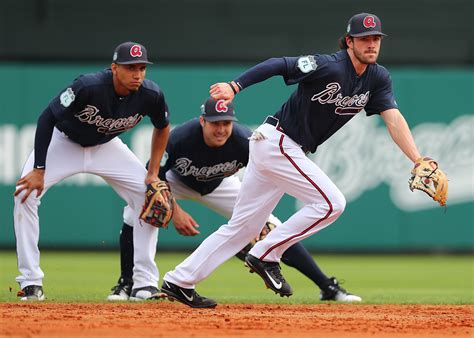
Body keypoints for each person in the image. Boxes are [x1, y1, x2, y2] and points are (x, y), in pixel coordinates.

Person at [159, 13, 431, 308]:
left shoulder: (378, 78)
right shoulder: (328, 65)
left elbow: (393, 119)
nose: (371, 44)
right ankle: (265, 254)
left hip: (277, 148)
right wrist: (235, 87)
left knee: (243, 227)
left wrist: (417, 159)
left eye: (376, 38)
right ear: (349, 42)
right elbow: (279, 64)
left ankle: (179, 281)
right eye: (364, 38)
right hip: (278, 142)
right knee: (331, 203)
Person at [106, 97, 361, 304]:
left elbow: (266, 173)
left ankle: (327, 287)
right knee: (140, 207)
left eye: (226, 122)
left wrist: (256, 218)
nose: (221, 129)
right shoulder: (181, 137)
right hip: (177, 183)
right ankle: (134, 284)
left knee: (270, 226)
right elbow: (154, 175)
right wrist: (175, 210)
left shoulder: (243, 140)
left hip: (220, 185)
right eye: (215, 123)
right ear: (202, 121)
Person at [13, 41, 170, 301]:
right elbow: (47, 117)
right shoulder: (88, 86)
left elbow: (162, 126)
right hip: (63, 143)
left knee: (148, 195)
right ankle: (31, 282)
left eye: (142, 68)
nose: (138, 74)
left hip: (106, 146)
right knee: (24, 194)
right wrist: (39, 168)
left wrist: (153, 172)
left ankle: (144, 284)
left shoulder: (151, 94)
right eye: (131, 68)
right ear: (114, 68)